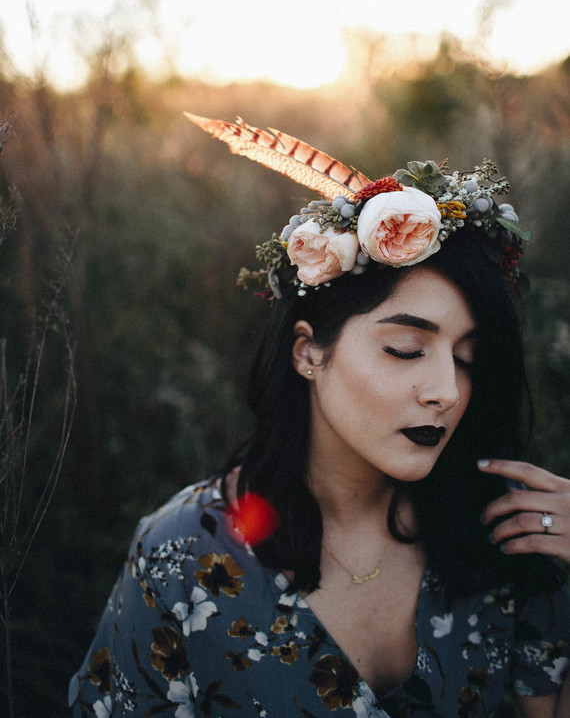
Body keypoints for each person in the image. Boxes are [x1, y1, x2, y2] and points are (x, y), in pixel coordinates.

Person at [70, 115, 570, 717]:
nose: (446, 390)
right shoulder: (184, 555)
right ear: (309, 352)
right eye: (405, 350)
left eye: (467, 358)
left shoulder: (508, 524)